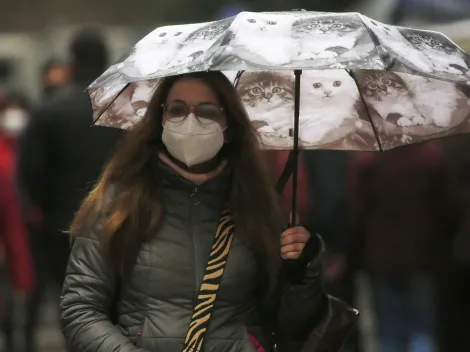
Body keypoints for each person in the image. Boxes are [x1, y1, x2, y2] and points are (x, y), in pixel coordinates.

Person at [60, 71, 354, 352]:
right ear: (160, 119)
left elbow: (291, 325)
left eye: (207, 111)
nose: (190, 121)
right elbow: (81, 309)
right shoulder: (120, 204)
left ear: (228, 127)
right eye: (177, 110)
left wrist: (302, 270)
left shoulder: (254, 207)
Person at [17, 26, 123, 352]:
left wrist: (41, 212)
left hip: (61, 226)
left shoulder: (49, 111)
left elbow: (29, 172)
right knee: (117, 304)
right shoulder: (123, 110)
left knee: (72, 305)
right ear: (106, 59)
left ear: (72, 61)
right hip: (118, 222)